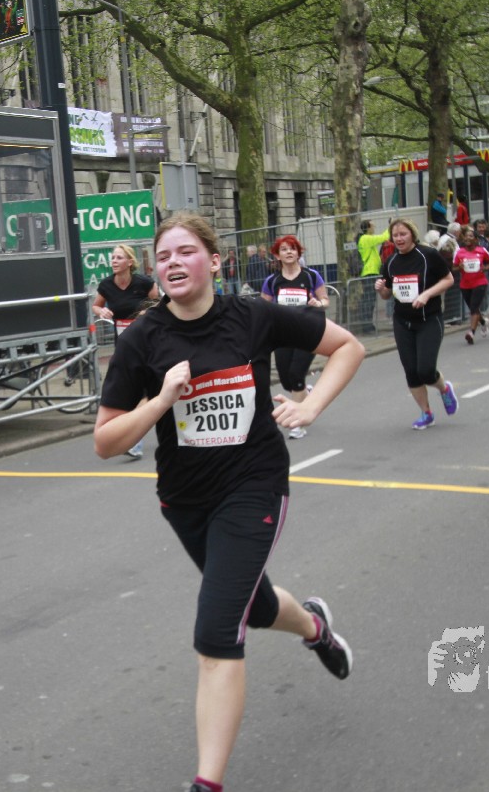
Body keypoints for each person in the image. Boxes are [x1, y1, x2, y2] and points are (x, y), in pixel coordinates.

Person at [94, 212, 363, 792]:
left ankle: (207, 784)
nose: (172, 262)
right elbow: (106, 441)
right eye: (164, 255)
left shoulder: (252, 315)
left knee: (218, 631)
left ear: (214, 261)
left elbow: (348, 347)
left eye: (186, 251)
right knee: (256, 607)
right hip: (185, 501)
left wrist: (310, 406)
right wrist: (160, 400)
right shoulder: (143, 339)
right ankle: (315, 627)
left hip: (254, 486)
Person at [375, 218, 459, 429]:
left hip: (428, 319)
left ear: (412, 234)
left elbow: (448, 279)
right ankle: (426, 413)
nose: (399, 238)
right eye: (395, 235)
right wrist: (382, 289)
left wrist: (427, 294)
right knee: (411, 371)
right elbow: (387, 294)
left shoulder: (428, 255)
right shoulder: (390, 262)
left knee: (426, 370)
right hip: (402, 321)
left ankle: (444, 389)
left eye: (403, 234)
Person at [93, 244, 160, 458]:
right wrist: (101, 311)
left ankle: (151, 428)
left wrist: (146, 312)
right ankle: (135, 440)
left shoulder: (144, 283)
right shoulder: (106, 285)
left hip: (147, 342)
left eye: (119, 258)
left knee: (148, 390)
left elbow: (159, 303)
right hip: (123, 345)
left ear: (129, 262)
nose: (114, 261)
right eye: (113, 257)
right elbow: (96, 305)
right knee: (133, 390)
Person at [260, 235, 329, 439]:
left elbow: (325, 300)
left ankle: (297, 424)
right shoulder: (272, 281)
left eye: (292, 248)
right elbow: (263, 308)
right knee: (286, 380)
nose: (289, 252)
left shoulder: (311, 276)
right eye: (284, 249)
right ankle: (304, 392)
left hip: (308, 332)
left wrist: (318, 304)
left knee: (296, 375)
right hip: (283, 334)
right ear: (277, 255)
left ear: (299, 253)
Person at [453, 224, 489, 344]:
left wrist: (485, 268)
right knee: (473, 308)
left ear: (475, 239)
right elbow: (453, 267)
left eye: (471, 236)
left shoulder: (481, 251)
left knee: (474, 307)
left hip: (480, 283)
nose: (468, 238)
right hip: (465, 284)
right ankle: (483, 322)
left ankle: (471, 332)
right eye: (466, 236)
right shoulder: (459, 252)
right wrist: (459, 267)